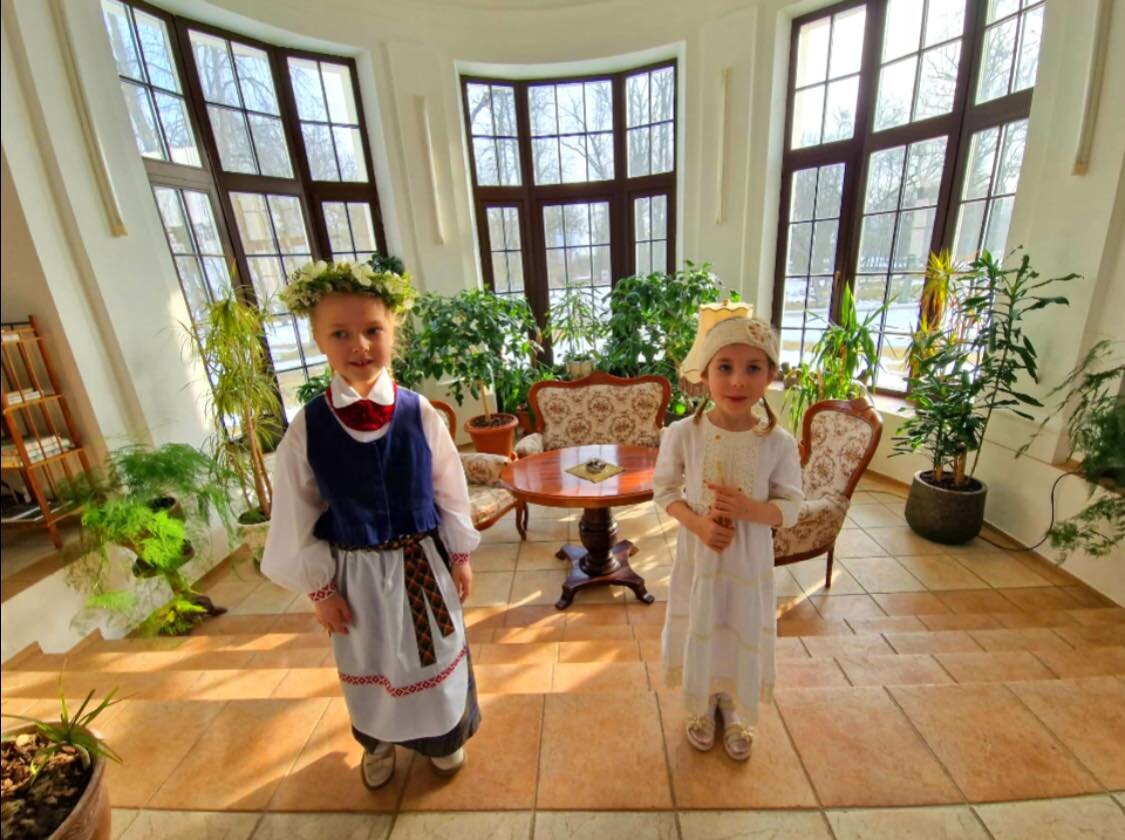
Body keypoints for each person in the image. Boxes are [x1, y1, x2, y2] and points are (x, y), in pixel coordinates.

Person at [261, 259, 480, 790]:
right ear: (318, 340)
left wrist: (459, 555)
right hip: (355, 575)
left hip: (421, 565)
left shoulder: (419, 412)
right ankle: (378, 741)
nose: (359, 345)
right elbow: (296, 513)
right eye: (340, 333)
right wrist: (320, 590)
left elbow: (449, 488)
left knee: (432, 655)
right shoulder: (308, 427)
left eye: (372, 330)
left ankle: (442, 737)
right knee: (371, 659)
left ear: (392, 333)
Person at [653, 311, 803, 761]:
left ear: (770, 376)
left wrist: (748, 509)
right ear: (704, 374)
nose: (738, 381)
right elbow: (664, 492)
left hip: (748, 562)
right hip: (700, 558)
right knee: (703, 622)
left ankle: (735, 705)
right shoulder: (682, 433)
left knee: (739, 625)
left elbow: (790, 508)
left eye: (753, 368)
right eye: (725, 367)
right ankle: (702, 700)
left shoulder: (778, 443)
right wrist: (699, 524)